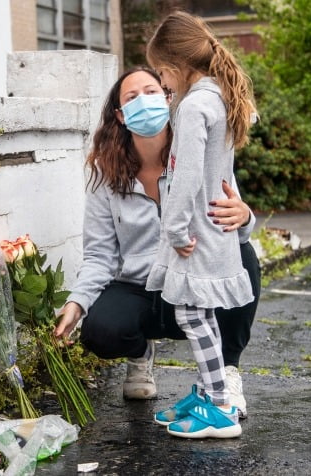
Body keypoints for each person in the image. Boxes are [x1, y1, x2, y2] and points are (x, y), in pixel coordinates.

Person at [53, 65, 260, 421]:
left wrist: (245, 216)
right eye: (131, 98)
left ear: (169, 99)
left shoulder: (200, 153)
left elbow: (235, 227)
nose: (144, 102)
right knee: (100, 331)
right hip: (141, 288)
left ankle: (226, 371)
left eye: (152, 92)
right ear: (119, 115)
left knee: (244, 257)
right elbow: (100, 254)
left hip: (193, 282)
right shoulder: (107, 175)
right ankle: (141, 354)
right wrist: (77, 302)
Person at [143, 11, 258, 439]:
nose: (161, 82)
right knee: (200, 312)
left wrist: (172, 230)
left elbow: (187, 175)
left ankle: (221, 408)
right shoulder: (218, 97)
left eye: (160, 72)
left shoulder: (195, 106)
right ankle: (213, 397)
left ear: (174, 66)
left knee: (191, 314)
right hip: (213, 228)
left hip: (195, 232)